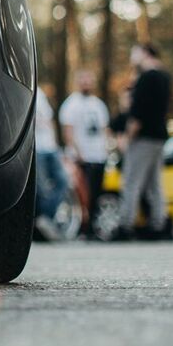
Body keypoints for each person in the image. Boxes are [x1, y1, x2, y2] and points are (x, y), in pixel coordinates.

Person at [117, 44, 172, 239]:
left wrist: (127, 137)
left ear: (145, 53)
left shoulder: (146, 78)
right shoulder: (165, 77)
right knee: (154, 183)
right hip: (159, 138)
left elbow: (138, 113)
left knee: (131, 181)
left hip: (143, 138)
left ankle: (125, 225)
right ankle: (158, 224)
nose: (132, 57)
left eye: (134, 53)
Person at [59, 70, 111, 237]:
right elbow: (68, 132)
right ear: (78, 81)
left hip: (99, 156)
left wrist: (107, 149)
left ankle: (94, 229)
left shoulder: (99, 105)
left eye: (89, 79)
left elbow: (105, 130)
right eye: (83, 79)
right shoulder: (71, 104)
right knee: (83, 195)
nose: (86, 83)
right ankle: (82, 228)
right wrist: (78, 153)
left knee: (96, 193)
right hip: (81, 158)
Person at [34, 85, 69, 240]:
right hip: (36, 148)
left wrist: (55, 144)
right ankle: (40, 225)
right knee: (40, 189)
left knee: (63, 181)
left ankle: (44, 218)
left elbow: (49, 121)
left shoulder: (40, 92)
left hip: (50, 147)